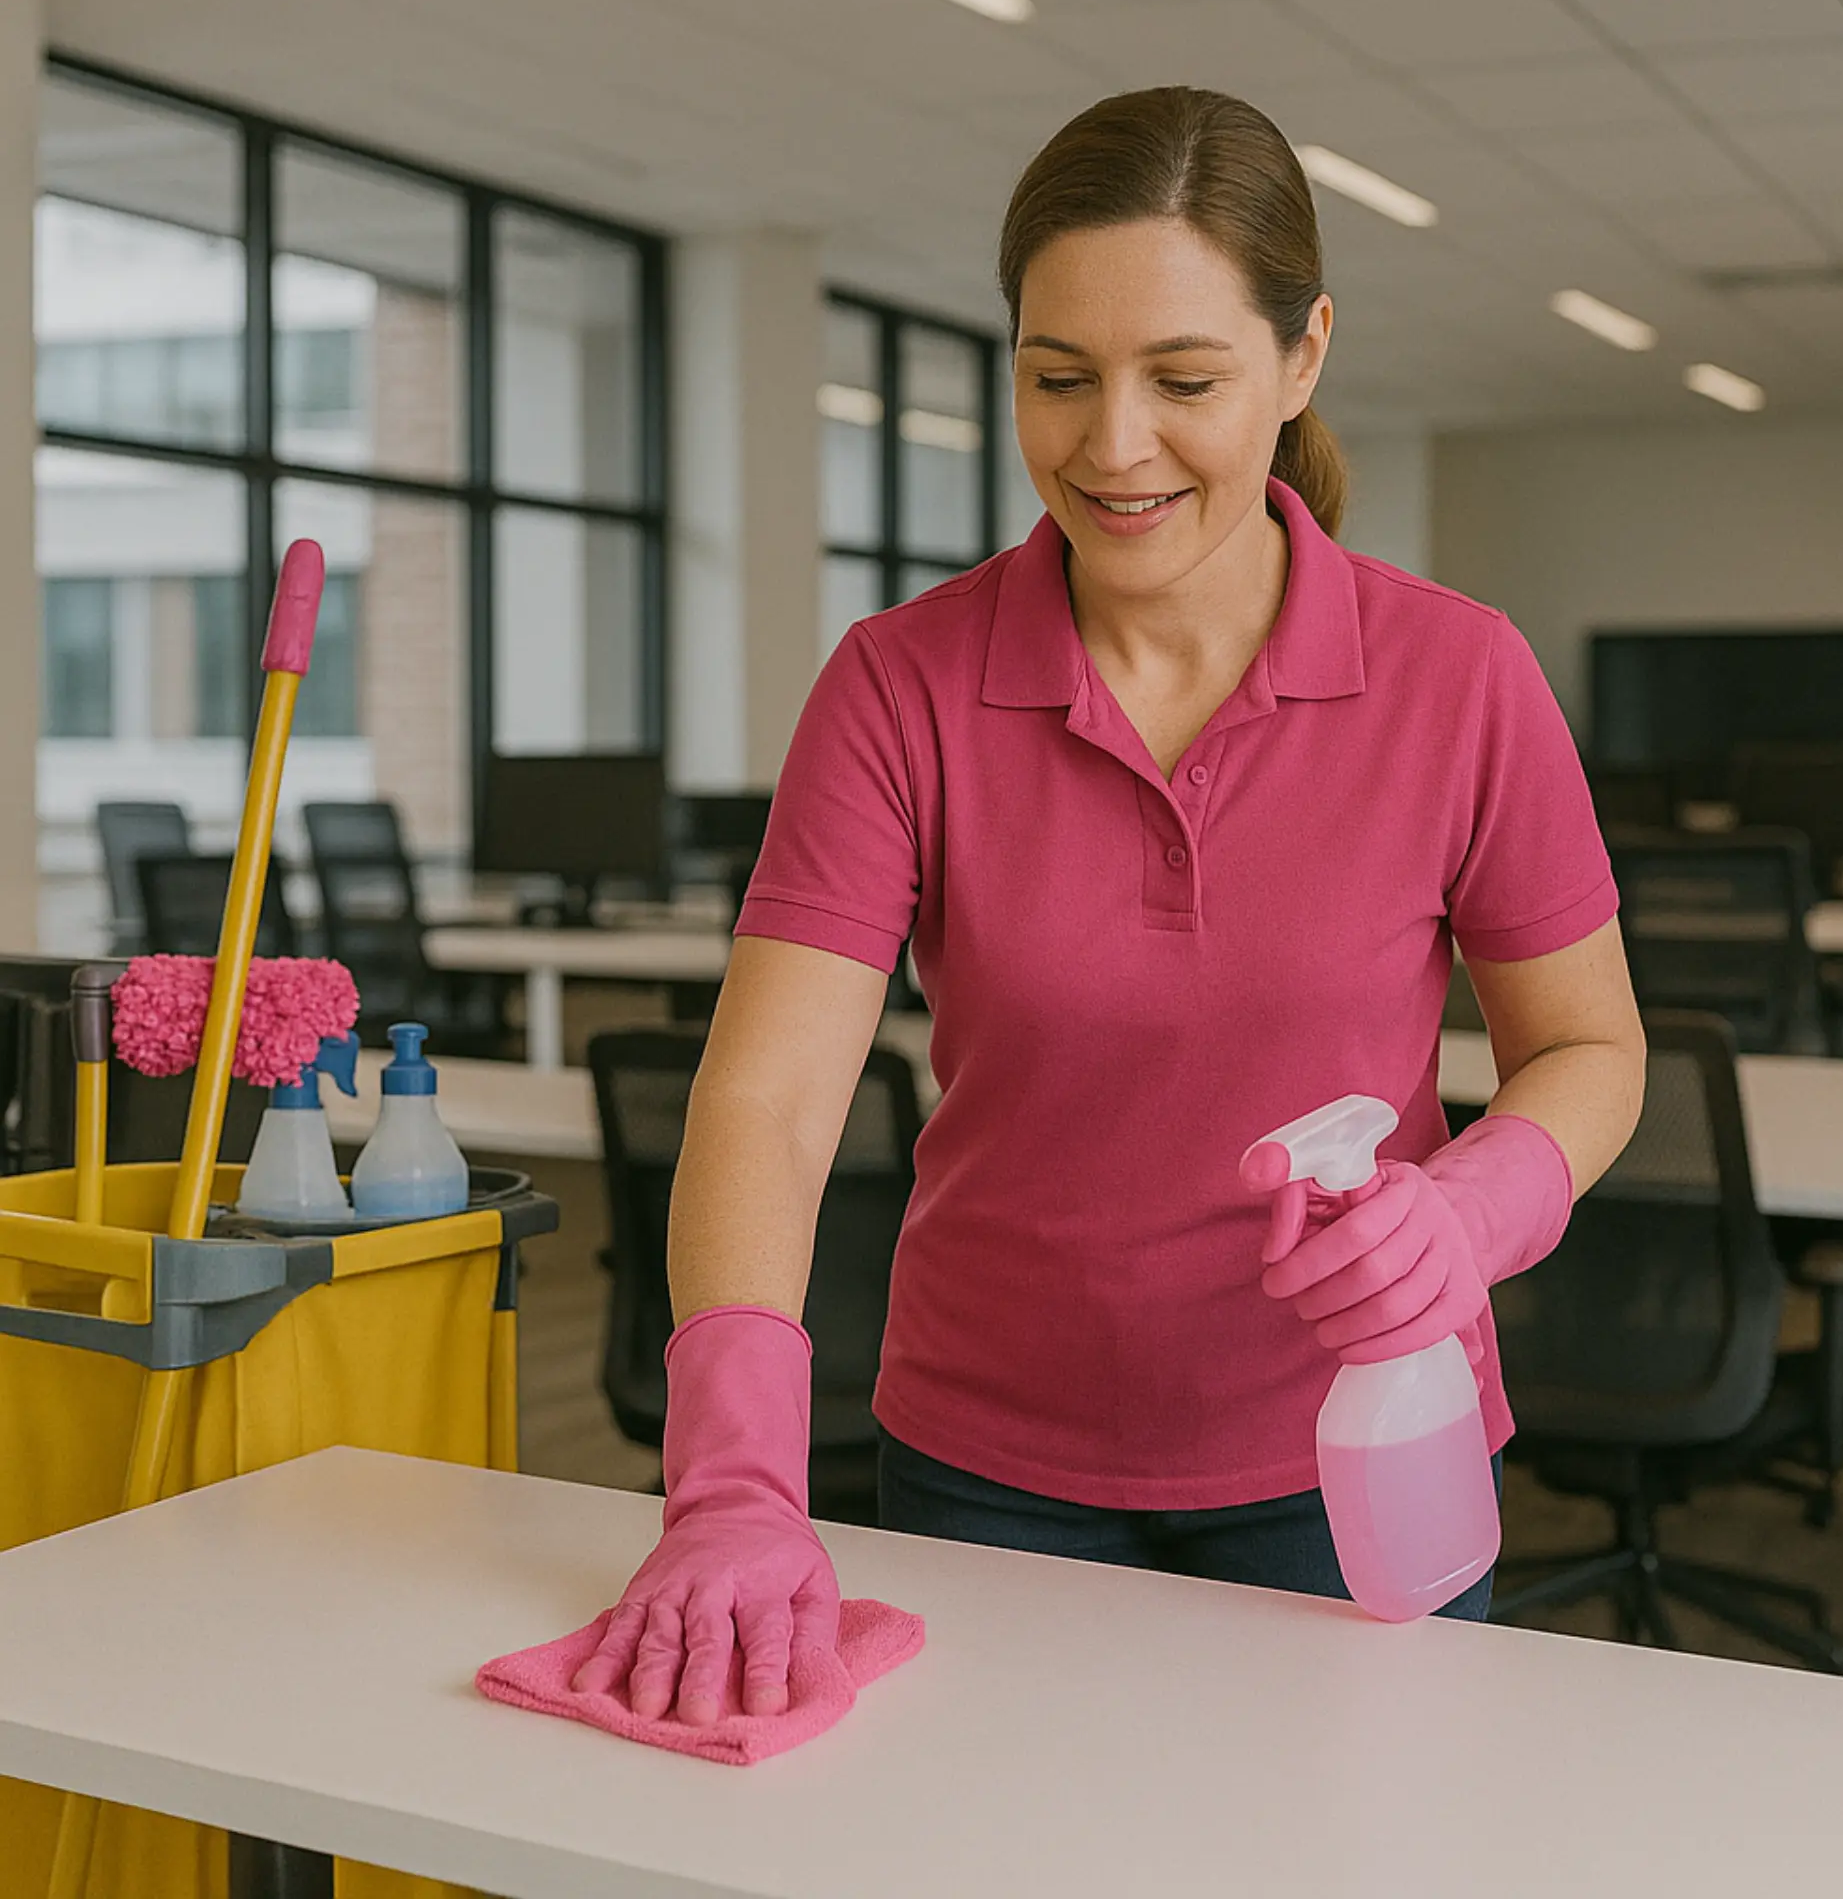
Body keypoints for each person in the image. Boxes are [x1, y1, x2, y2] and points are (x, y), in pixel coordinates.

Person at [570, 86, 1646, 1725]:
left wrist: (1468, 1216)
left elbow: (1589, 1049)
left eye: (1186, 380)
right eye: (1057, 378)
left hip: (1354, 1458)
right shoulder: (899, 687)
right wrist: (729, 1478)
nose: (1112, 443)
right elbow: (773, 1101)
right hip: (986, 1464)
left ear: (1302, 360)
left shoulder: (1461, 678)